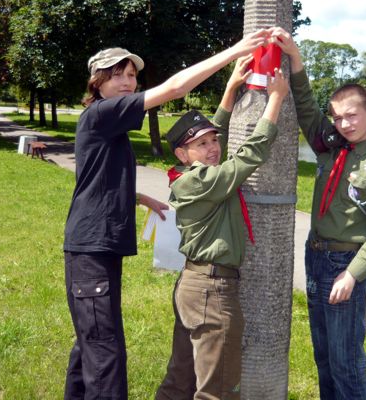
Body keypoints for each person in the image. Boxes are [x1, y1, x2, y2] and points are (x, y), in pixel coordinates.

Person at [63, 30, 272, 400]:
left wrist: (140, 197)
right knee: (105, 352)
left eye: (132, 75)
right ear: (97, 82)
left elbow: (93, 178)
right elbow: (175, 88)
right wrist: (236, 51)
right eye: (117, 75)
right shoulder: (102, 112)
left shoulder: (105, 124)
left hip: (98, 248)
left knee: (90, 342)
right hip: (92, 249)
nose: (128, 82)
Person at [272, 27, 366, 400]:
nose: (344, 123)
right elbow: (307, 106)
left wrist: (352, 274)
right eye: (339, 117)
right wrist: (295, 58)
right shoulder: (330, 148)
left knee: (346, 359)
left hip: (345, 263)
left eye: (352, 115)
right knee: (324, 355)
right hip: (315, 257)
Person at [155, 54, 290, 400]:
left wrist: (229, 91)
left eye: (214, 140)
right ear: (182, 155)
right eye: (201, 144)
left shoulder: (192, 174)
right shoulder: (202, 181)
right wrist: (276, 99)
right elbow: (250, 155)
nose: (213, 148)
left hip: (196, 286)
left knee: (180, 379)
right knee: (218, 389)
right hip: (212, 292)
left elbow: (213, 139)